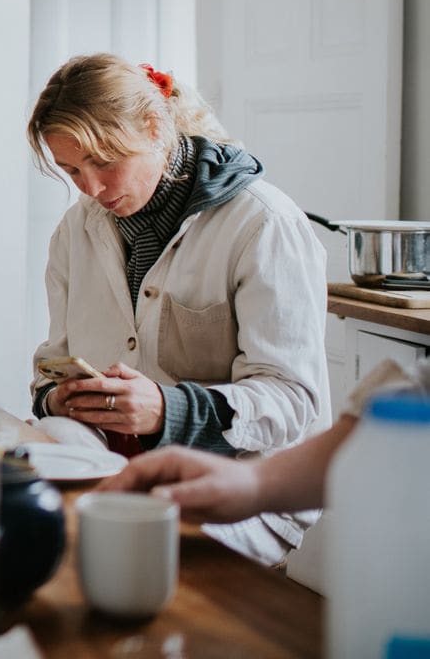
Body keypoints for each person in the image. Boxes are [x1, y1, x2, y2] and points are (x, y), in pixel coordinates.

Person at [27, 53, 330, 564]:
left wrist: (168, 410)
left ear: (153, 127)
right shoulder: (75, 232)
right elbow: (50, 367)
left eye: (104, 161)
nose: (91, 189)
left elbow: (293, 401)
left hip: (239, 475)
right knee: (27, 505)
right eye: (71, 170)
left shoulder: (264, 224)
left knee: (130, 554)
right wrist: (58, 399)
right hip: (112, 456)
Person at [99, 356, 430, 522]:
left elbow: (290, 398)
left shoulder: (272, 238)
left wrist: (173, 410)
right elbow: (380, 425)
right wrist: (255, 482)